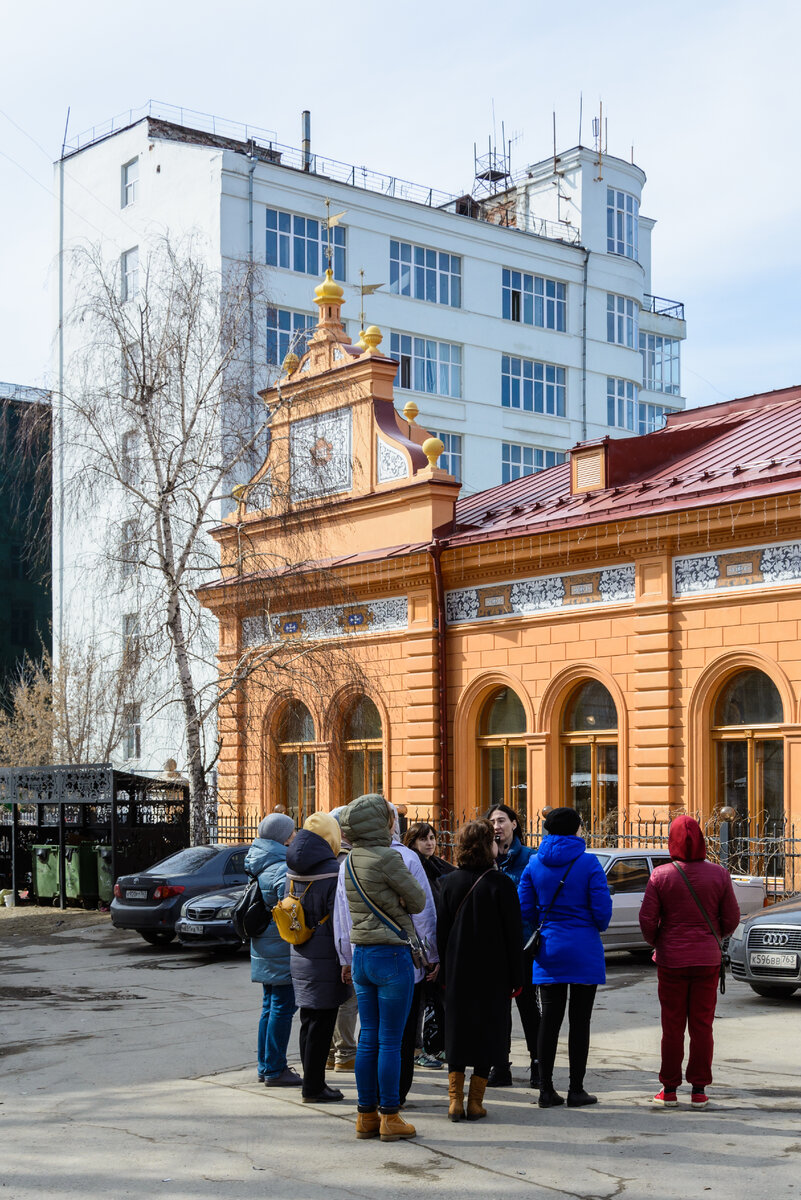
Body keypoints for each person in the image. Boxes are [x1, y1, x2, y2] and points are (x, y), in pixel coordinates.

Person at [337, 793, 426, 1142]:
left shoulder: (350, 860)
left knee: (368, 1037)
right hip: (392, 955)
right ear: (380, 822)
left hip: (362, 957)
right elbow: (418, 901)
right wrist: (400, 899)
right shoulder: (389, 858)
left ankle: (366, 1116)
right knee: (391, 1040)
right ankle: (391, 1116)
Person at [639, 814, 740, 1109]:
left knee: (672, 1026)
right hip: (706, 959)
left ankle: (668, 1089)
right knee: (702, 1026)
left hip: (671, 959)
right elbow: (732, 917)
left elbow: (647, 919)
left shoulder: (661, 875)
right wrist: (712, 936)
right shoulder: (719, 874)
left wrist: (659, 941)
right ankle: (699, 1090)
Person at [518, 806, 612, 1108]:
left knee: (549, 1019)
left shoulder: (533, 864)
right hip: (584, 949)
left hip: (549, 949)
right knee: (580, 1021)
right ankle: (576, 1089)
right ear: (576, 829)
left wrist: (545, 922)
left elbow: (525, 909)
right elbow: (602, 913)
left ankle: (545, 1089)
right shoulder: (589, 863)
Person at [437, 819, 523, 1122]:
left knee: (457, 1033)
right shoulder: (501, 884)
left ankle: (453, 1102)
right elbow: (514, 935)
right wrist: (517, 977)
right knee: (489, 1033)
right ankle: (475, 1103)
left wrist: (443, 973)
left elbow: (440, 933)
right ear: (488, 846)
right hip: (493, 973)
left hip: (457, 971)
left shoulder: (448, 882)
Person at [285, 811, 352, 1103]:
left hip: (299, 951)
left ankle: (310, 1083)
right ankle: (314, 1087)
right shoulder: (334, 871)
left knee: (308, 1020)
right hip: (325, 957)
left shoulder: (291, 866)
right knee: (322, 1023)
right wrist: (346, 959)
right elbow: (341, 921)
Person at [244, 813, 300, 1087]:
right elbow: (290, 911)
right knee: (282, 1006)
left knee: (269, 1006)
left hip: (264, 946)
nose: (295, 836)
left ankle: (266, 1065)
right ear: (283, 837)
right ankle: (275, 1068)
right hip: (278, 947)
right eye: (291, 832)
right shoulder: (280, 867)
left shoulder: (260, 860)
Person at [485, 803, 538, 1088]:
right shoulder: (484, 860)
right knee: (498, 1010)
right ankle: (500, 1066)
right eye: (492, 821)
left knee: (529, 1007)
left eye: (502, 820)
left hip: (523, 946)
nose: (496, 826)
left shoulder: (530, 858)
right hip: (494, 948)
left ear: (514, 824)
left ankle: (538, 1063)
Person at [403, 821, 454, 1068]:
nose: (430, 843)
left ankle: (436, 1045)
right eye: (424, 839)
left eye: (432, 838)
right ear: (411, 842)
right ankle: (415, 1049)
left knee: (436, 997)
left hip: (435, 941)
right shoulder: (410, 866)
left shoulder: (440, 867)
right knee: (418, 1000)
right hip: (416, 945)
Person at [326, 806, 358, 1073]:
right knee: (348, 998)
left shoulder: (325, 856)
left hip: (328, 940)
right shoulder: (345, 858)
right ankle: (344, 1053)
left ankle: (331, 1052)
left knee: (334, 999)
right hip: (342, 940)